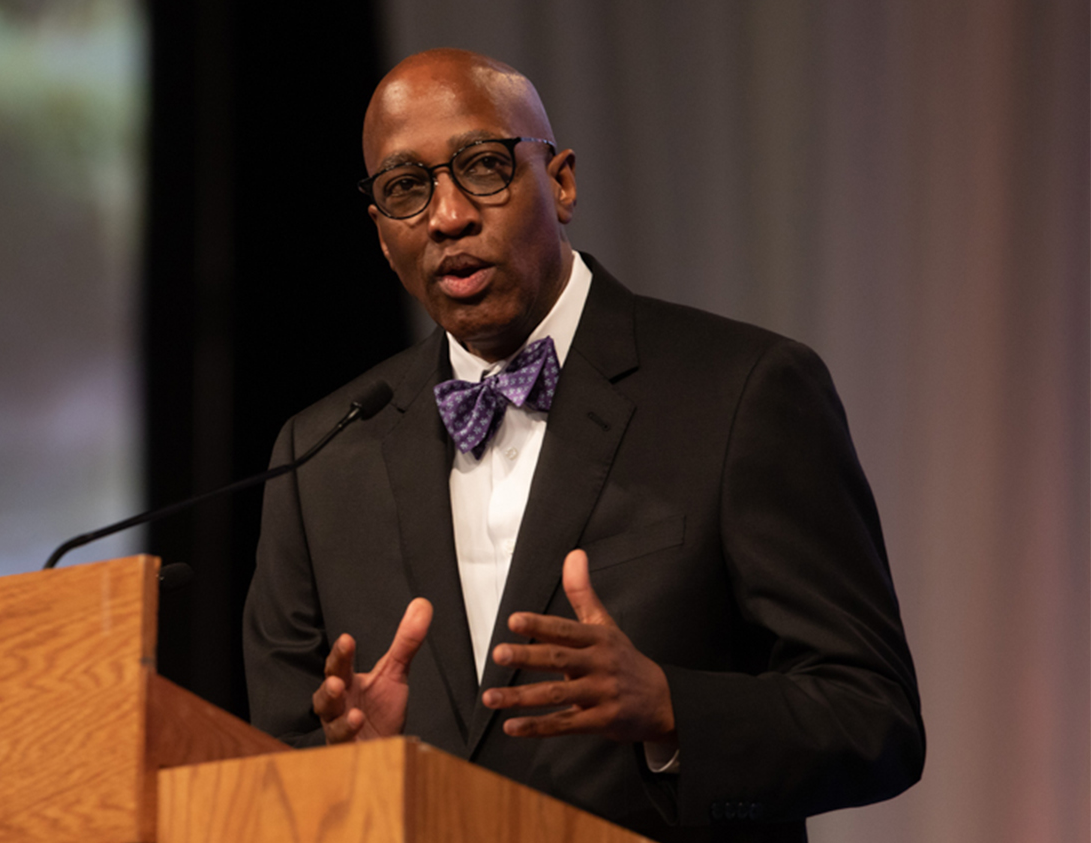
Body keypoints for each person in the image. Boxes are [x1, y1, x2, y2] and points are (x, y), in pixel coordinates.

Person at [243, 48, 923, 842]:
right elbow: (275, 766)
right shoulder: (320, 455)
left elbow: (874, 716)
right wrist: (343, 771)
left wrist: (671, 707)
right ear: (380, 232)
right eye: (406, 188)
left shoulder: (745, 392)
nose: (448, 215)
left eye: (484, 167)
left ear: (560, 182)